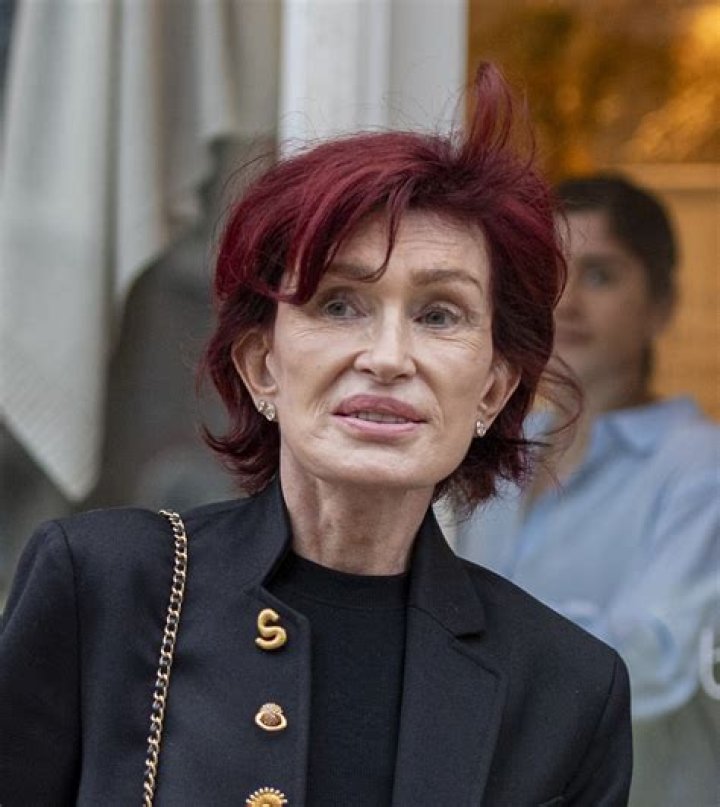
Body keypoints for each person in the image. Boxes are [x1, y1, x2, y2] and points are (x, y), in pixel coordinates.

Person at [0, 66, 632, 806]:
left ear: (493, 389)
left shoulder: (566, 689)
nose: (388, 357)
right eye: (338, 304)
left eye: (439, 315)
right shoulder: (103, 584)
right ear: (262, 366)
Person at [456, 174, 720, 807]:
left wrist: (462, 644)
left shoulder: (700, 465)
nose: (568, 303)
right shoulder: (495, 446)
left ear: (662, 304)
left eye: (600, 275)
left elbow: (655, 659)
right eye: (551, 276)